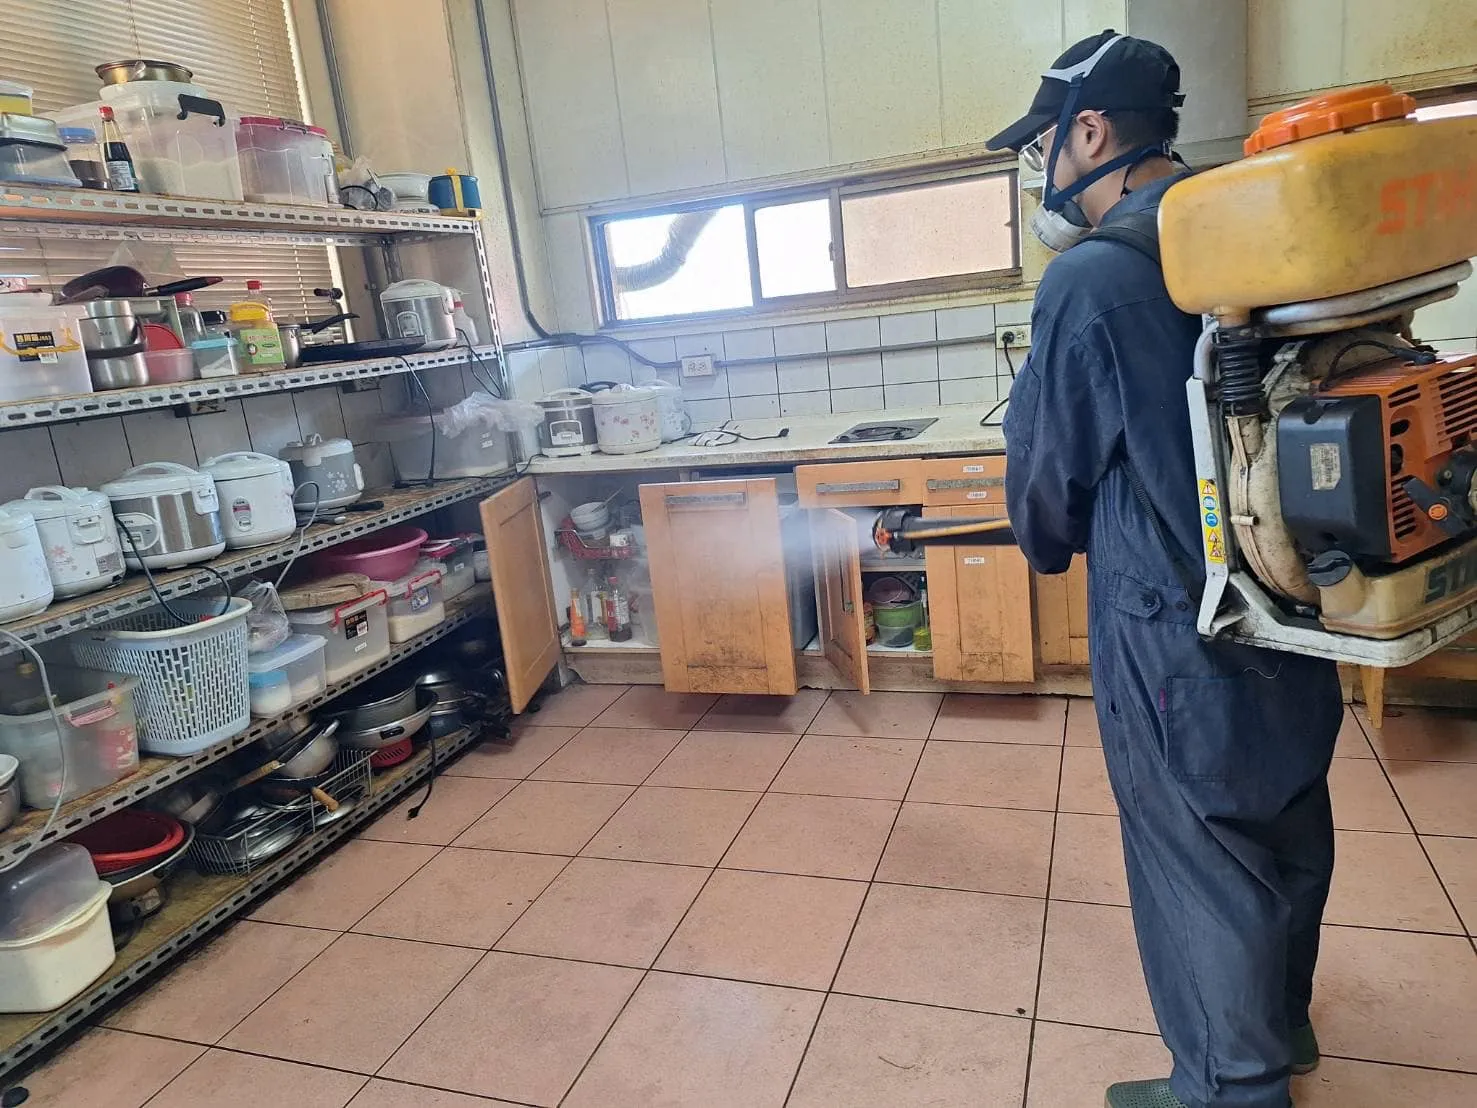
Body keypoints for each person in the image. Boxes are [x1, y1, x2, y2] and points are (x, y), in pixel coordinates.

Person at [988, 30, 1344, 1108]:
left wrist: (1043, 536)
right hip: (1293, 589)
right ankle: (1280, 1027)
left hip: (1172, 615)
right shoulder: (1246, 229)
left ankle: (1230, 1089)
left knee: (1193, 851)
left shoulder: (1093, 277)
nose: (1038, 173)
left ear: (1087, 132)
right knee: (1284, 815)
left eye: (1040, 146)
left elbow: (1050, 479)